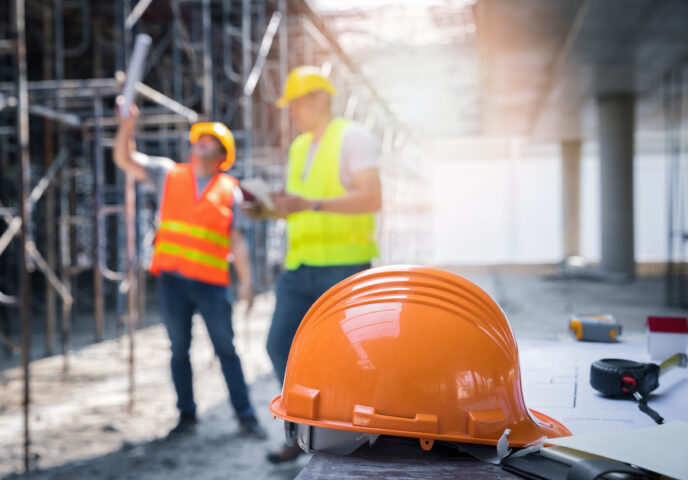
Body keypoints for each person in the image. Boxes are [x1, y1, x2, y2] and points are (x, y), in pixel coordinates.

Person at [113, 97, 266, 439]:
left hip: (212, 285)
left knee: (226, 349)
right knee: (178, 349)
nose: (200, 143)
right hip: (173, 282)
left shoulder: (232, 191)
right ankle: (187, 416)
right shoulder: (169, 175)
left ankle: (246, 417)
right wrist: (127, 125)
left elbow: (237, 240)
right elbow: (124, 158)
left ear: (221, 154)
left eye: (209, 140)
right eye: (199, 139)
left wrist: (247, 284)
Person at [263, 66, 382, 462]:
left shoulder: (353, 137)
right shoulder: (299, 147)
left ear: (316, 99)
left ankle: (350, 432)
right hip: (300, 266)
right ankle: (300, 432)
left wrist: (310, 204)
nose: (292, 111)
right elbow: (302, 206)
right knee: (280, 344)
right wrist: (270, 210)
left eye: (295, 103)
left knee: (347, 356)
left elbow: (371, 198)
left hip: (343, 268)